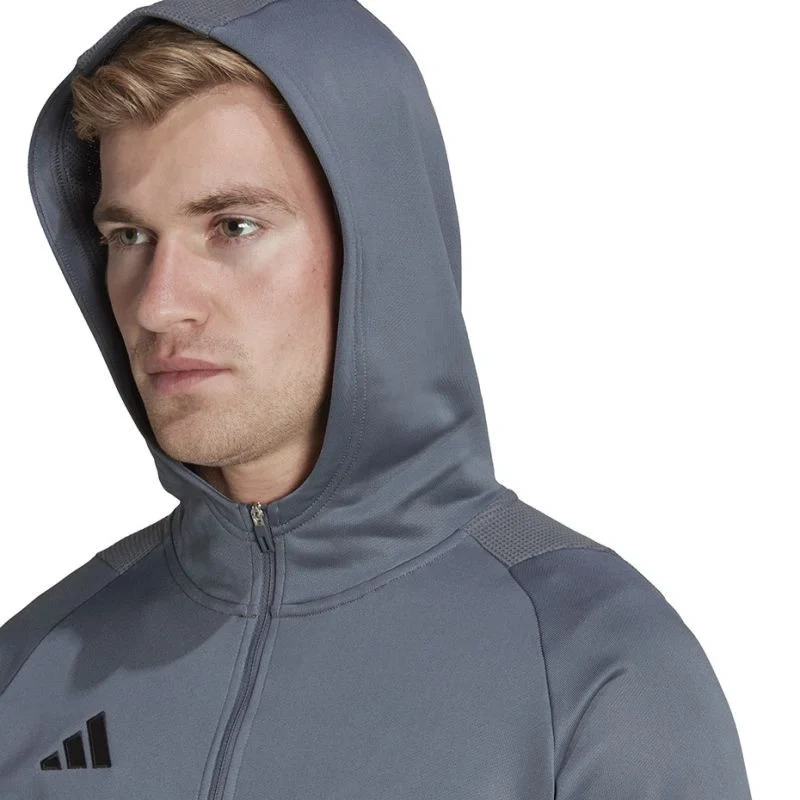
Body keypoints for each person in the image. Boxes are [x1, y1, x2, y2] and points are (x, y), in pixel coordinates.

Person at [2, 1, 752, 797]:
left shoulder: (593, 672)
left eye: (234, 227)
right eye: (129, 237)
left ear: (381, 246)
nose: (157, 306)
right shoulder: (35, 668)